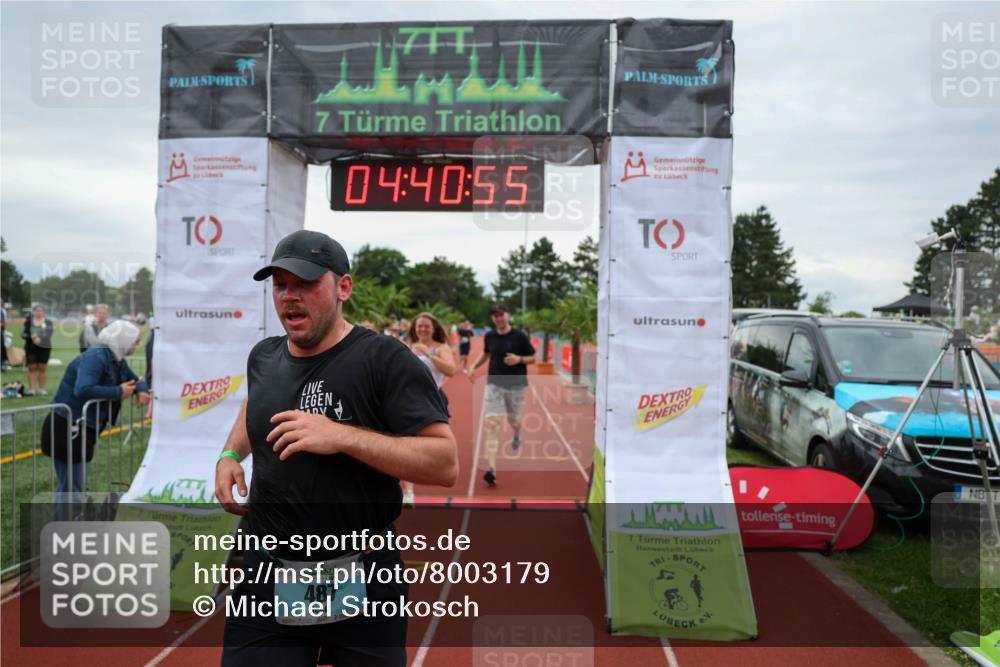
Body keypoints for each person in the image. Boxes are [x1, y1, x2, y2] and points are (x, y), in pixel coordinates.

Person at [214, 230, 457, 667]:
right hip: (267, 571)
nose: (290, 296)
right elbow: (257, 402)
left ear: (343, 287)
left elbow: (444, 463)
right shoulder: (264, 357)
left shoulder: (384, 358)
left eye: (306, 283)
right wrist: (231, 454)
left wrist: (342, 436)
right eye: (280, 284)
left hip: (363, 573)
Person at [42, 320, 150, 498]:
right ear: (122, 340)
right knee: (72, 488)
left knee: (77, 486)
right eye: (135, 341)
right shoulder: (96, 356)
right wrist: (118, 392)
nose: (137, 345)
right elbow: (83, 388)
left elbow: (135, 380)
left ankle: (73, 515)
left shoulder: (116, 359)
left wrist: (142, 390)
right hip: (68, 427)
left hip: (83, 428)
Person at [465, 304, 535, 487]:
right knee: (493, 424)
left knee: (513, 420)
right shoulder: (490, 336)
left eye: (501, 314)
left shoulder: (519, 336)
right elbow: (486, 353)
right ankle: (491, 469)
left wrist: (519, 359)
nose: (498, 318)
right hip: (494, 383)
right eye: (495, 315)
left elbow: (533, 357)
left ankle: (517, 432)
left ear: (508, 315)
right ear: (493, 318)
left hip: (515, 385)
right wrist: (473, 366)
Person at [400, 312, 456, 507]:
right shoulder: (407, 346)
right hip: (408, 399)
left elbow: (450, 370)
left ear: (434, 329)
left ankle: (435, 471)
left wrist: (428, 354)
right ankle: (408, 492)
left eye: (426, 326)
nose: (422, 329)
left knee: (437, 444)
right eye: (419, 326)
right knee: (407, 444)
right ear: (414, 328)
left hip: (433, 399)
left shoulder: (441, 348)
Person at [22, 304, 54, 395]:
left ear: (44, 312)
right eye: (37, 310)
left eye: (41, 310)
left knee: (42, 367)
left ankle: (42, 389)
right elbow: (24, 334)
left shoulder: (48, 322)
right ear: (33, 312)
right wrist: (32, 337)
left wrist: (39, 338)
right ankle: (32, 390)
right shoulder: (28, 322)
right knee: (32, 368)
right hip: (31, 347)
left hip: (44, 347)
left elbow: (49, 333)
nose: (39, 312)